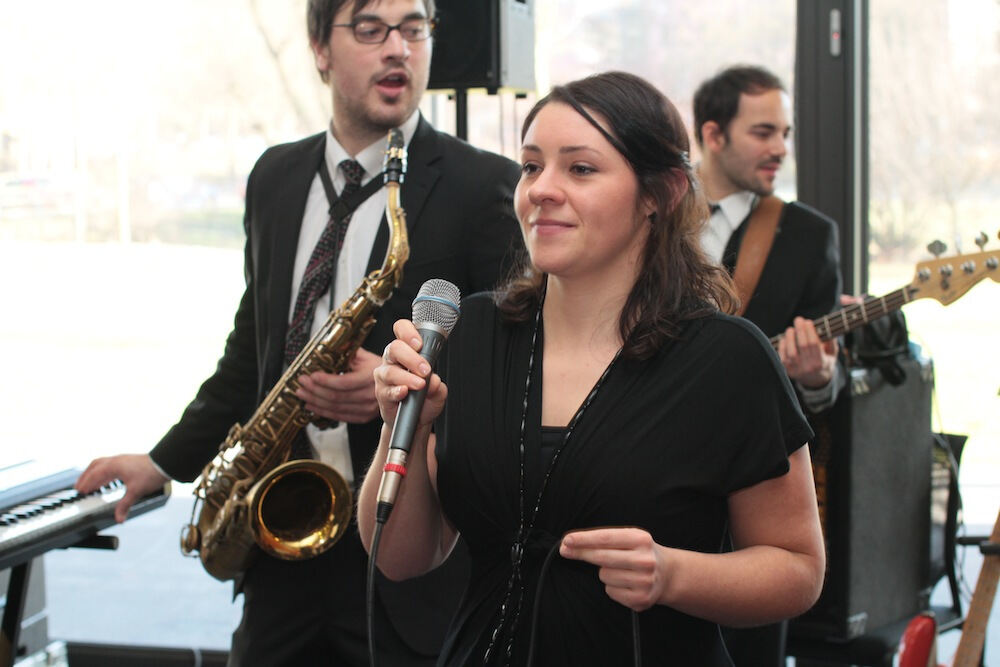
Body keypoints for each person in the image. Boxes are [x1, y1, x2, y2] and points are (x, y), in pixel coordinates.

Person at [75, 0, 523, 664]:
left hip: (407, 553)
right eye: (371, 29)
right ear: (320, 47)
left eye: (415, 29)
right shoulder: (274, 178)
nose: (398, 48)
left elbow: (510, 370)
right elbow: (250, 354)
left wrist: (406, 391)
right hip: (280, 536)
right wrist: (163, 461)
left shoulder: (485, 185)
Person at [357, 70, 826, 666]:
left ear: (661, 194)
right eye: (531, 166)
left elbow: (798, 569)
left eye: (580, 169)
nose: (541, 189)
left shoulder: (728, 360)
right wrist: (406, 424)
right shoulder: (469, 335)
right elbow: (400, 559)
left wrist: (673, 575)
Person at [693, 64, 845, 665]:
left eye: (786, 132)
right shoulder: (648, 213)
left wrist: (818, 376)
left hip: (752, 492)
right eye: (763, 132)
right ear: (713, 134)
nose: (780, 148)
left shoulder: (809, 236)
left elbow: (830, 376)